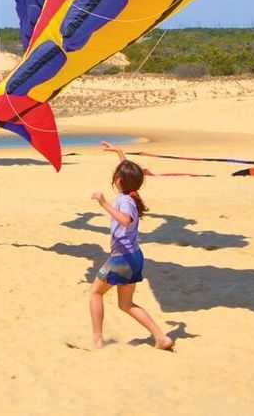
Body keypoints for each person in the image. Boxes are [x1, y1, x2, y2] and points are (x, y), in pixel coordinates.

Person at [89, 141, 174, 351]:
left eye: (117, 174)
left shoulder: (124, 201)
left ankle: (97, 341)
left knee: (95, 293)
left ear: (119, 180)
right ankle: (161, 338)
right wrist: (119, 152)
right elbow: (130, 175)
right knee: (125, 304)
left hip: (121, 259)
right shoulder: (133, 193)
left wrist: (103, 203)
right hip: (134, 256)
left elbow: (125, 220)